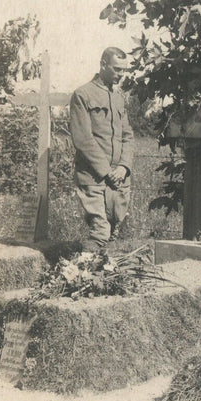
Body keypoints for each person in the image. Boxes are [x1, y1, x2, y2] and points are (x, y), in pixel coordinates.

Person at [70, 47, 133, 251]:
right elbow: (83, 139)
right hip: (94, 177)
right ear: (103, 64)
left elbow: (127, 136)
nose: (121, 75)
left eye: (124, 70)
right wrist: (107, 172)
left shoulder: (119, 97)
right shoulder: (83, 94)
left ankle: (105, 278)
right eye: (117, 69)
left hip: (119, 179)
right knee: (100, 233)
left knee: (114, 232)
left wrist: (123, 167)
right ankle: (79, 276)